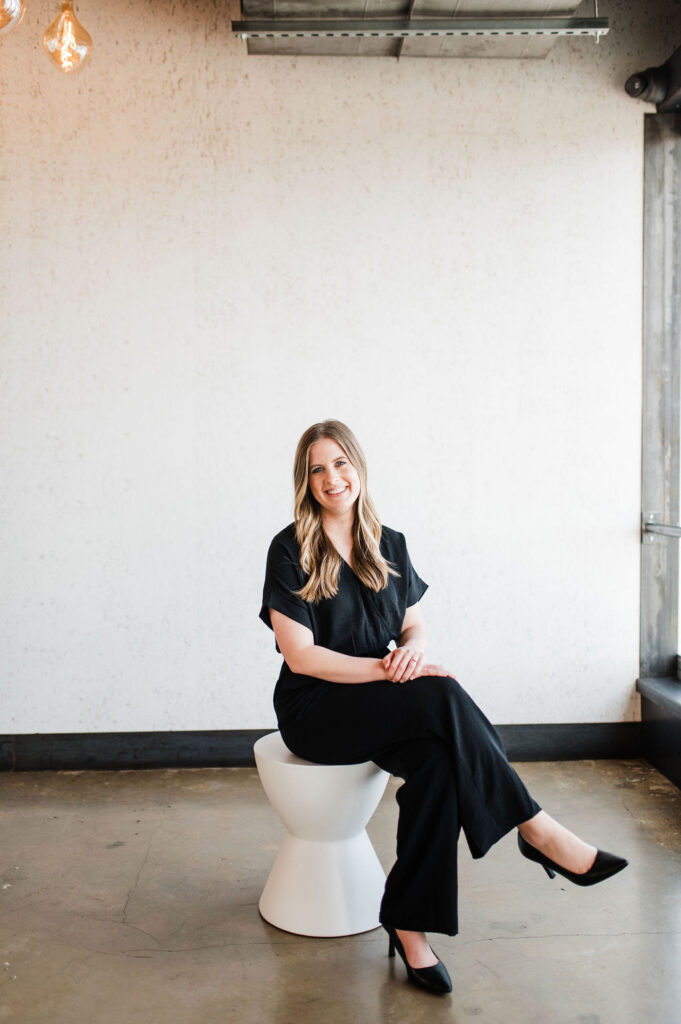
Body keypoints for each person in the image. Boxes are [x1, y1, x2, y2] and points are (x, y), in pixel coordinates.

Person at [259, 419, 628, 996]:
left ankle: (409, 924)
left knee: (438, 763)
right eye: (317, 468)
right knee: (441, 691)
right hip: (318, 711)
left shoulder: (390, 543)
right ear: (305, 482)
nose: (333, 477)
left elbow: (414, 625)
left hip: (382, 701)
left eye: (341, 463)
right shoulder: (289, 549)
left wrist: (411, 653)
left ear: (359, 466)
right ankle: (536, 827)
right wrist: (392, 669)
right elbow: (301, 657)